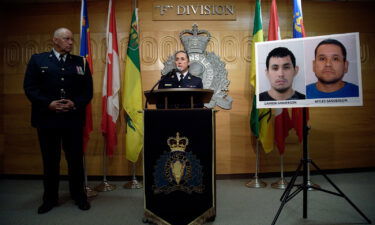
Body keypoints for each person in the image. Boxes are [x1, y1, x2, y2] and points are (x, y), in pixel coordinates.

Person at [23, 27, 93, 214]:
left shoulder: (81, 62)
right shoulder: (38, 60)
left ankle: (79, 196)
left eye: (71, 39)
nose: (70, 42)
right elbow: (30, 88)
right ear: (55, 40)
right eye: (66, 39)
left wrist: (75, 103)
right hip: (47, 120)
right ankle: (50, 199)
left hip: (72, 120)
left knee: (75, 160)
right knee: (50, 160)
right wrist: (48, 104)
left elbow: (87, 91)